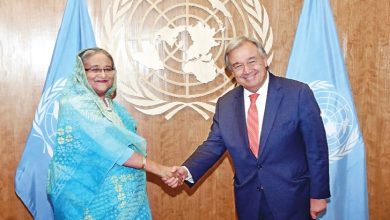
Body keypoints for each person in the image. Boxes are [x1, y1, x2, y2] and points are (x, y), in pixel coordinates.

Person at [164, 36, 330, 220]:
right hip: (249, 201)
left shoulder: (297, 93)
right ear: (231, 72)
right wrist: (186, 170)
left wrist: (318, 195)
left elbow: (317, 148)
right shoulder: (225, 104)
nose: (247, 70)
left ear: (265, 60)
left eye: (252, 61)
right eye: (238, 65)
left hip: (292, 198)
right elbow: (213, 145)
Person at [47, 48, 180, 219]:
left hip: (126, 202)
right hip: (91, 200)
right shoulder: (76, 105)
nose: (103, 74)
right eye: (94, 69)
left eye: (108, 68)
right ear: (81, 72)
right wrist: (160, 169)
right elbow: (112, 147)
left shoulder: (115, 108)